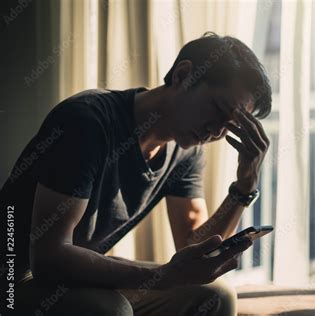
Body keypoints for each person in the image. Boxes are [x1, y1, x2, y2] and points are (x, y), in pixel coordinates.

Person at [0, 32, 272, 316]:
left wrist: (244, 187)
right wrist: (165, 275)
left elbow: (195, 246)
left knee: (216, 296)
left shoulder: (186, 152)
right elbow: (47, 258)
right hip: (14, 280)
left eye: (230, 125)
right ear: (183, 75)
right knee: (109, 309)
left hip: (72, 280)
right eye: (217, 109)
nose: (216, 131)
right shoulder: (87, 122)